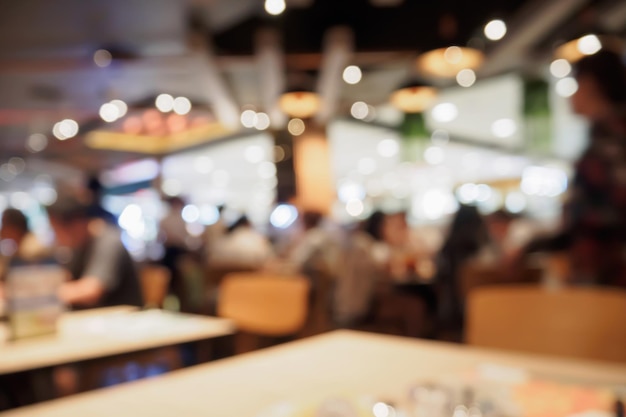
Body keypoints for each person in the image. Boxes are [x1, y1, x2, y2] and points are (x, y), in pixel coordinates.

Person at [522, 50, 626, 287]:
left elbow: (601, 216)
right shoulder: (607, 135)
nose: (570, 96)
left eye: (574, 85)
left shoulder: (611, 138)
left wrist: (532, 246)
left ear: (590, 84)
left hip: (610, 277)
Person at [46, 195, 143, 309]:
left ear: (76, 224)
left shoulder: (108, 241)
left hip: (120, 320)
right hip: (95, 319)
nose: (55, 237)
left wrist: (45, 296)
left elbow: (92, 291)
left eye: (56, 229)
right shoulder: (79, 245)